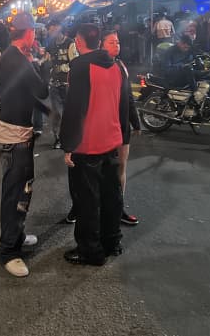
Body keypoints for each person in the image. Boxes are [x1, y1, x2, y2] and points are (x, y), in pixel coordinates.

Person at [59, 23, 130, 266]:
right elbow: (123, 104)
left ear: (79, 42)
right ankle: (112, 241)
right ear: (99, 41)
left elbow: (74, 109)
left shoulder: (80, 67)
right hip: (112, 140)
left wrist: (68, 145)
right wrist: (123, 136)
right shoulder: (116, 66)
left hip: (88, 144)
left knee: (87, 201)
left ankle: (90, 251)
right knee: (111, 195)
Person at [0, 12, 47, 278]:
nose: (35, 37)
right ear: (29, 33)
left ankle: (16, 235)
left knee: (21, 190)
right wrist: (41, 63)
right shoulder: (19, 61)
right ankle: (8, 251)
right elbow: (42, 90)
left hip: (14, 131)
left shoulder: (9, 56)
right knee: (15, 194)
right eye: (34, 33)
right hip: (15, 136)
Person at [103, 30, 142, 226]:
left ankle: (118, 209)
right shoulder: (96, 66)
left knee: (121, 168)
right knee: (103, 170)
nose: (116, 45)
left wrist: (135, 121)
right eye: (111, 42)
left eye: (117, 42)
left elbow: (128, 96)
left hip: (122, 125)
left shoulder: (121, 65)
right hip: (103, 127)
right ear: (101, 45)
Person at [46, 20, 78, 149]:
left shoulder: (70, 43)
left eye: (52, 29)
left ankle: (70, 136)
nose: (50, 32)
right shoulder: (51, 44)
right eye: (49, 30)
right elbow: (48, 59)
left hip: (68, 84)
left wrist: (61, 68)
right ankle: (58, 138)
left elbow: (75, 63)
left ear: (59, 29)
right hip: (54, 84)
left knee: (69, 112)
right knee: (57, 113)